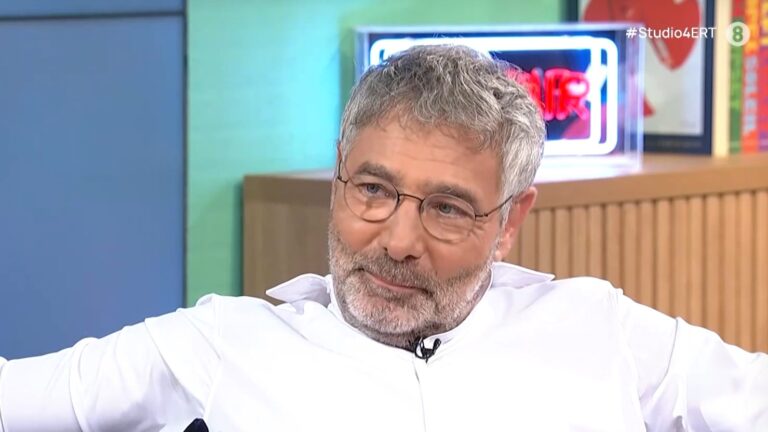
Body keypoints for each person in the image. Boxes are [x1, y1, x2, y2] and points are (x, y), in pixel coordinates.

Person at [0, 44, 766, 432]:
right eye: (373, 190)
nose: (398, 241)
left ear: (510, 222)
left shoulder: (600, 329)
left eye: (448, 209)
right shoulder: (222, 342)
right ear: (340, 176)